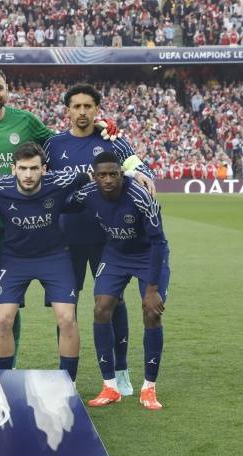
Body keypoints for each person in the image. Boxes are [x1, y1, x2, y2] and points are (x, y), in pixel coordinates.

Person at [0, 67, 118, 368]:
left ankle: (10, 369)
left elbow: (61, 146)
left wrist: (98, 128)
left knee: (9, 307)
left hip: (13, 229)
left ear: (7, 91)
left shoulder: (26, 121)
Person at [43, 83, 154, 395]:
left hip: (107, 239)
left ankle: (121, 371)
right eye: (76, 106)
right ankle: (67, 376)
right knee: (66, 308)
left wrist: (141, 174)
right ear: (67, 111)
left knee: (113, 303)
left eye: (88, 106)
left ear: (96, 110)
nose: (82, 112)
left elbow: (140, 169)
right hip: (65, 238)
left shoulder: (112, 140)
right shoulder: (53, 145)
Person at [0, 142, 90, 378]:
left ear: (44, 169)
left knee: (67, 318)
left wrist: (132, 176)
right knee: (3, 319)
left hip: (54, 257)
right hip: (14, 259)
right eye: (23, 168)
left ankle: (69, 382)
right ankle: (6, 379)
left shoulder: (60, 180)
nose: (28, 174)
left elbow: (91, 178)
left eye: (34, 168)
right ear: (13, 169)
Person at [69, 152, 170, 410]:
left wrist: (152, 289)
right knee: (101, 307)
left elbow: (158, 242)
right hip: (116, 254)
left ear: (122, 174)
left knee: (152, 311)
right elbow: (66, 204)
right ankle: (110, 387)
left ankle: (149, 388)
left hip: (147, 255)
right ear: (94, 176)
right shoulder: (88, 193)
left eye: (113, 174)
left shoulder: (140, 196)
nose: (108, 180)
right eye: (102, 175)